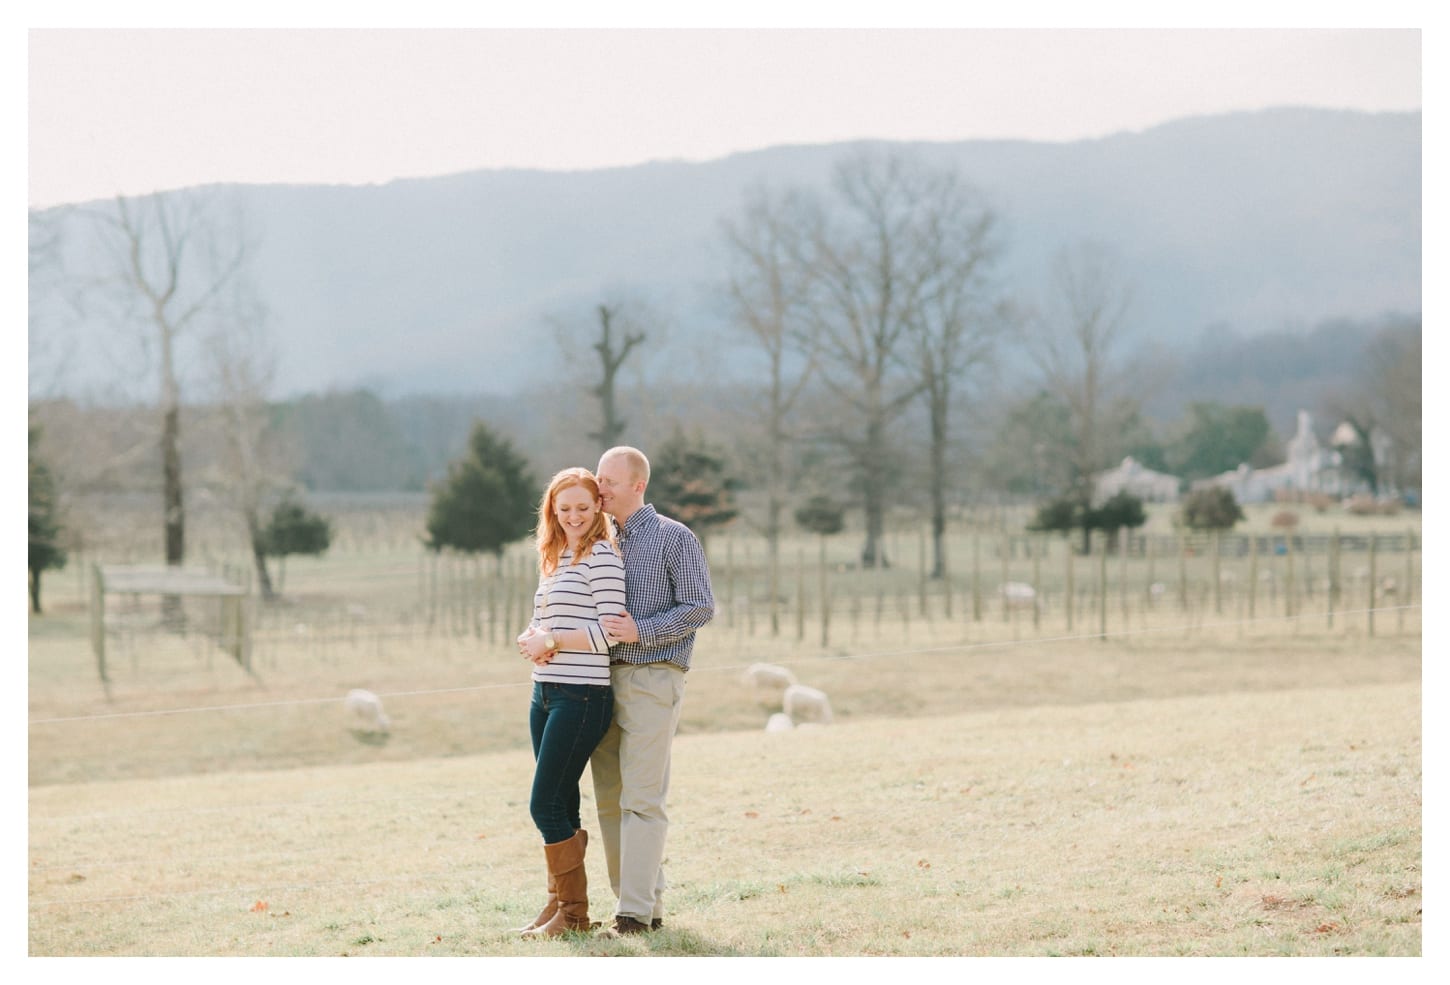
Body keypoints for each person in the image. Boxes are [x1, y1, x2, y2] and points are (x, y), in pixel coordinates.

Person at [589, 445, 716, 936]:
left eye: (610, 481)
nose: (600, 488)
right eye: (599, 478)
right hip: (601, 682)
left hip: (652, 676)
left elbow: (700, 607)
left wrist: (640, 631)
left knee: (642, 799)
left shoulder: (672, 538)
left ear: (638, 485)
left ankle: (632, 915)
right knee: (608, 800)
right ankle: (646, 904)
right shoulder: (598, 540)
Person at [514, 467, 626, 938]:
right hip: (544, 693)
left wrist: (552, 639)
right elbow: (544, 622)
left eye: (583, 507)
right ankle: (559, 904)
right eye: (564, 509)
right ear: (552, 513)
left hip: (582, 697)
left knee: (544, 805)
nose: (574, 516)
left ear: (597, 506)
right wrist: (531, 637)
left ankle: (575, 917)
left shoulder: (602, 556)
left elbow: (609, 634)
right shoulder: (555, 556)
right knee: (562, 800)